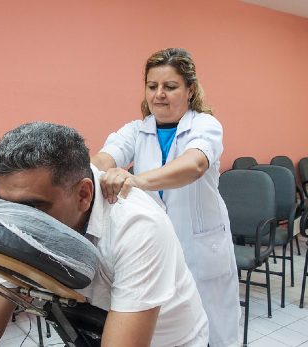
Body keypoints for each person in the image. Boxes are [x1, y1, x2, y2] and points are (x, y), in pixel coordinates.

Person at [0, 122, 209, 347]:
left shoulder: (137, 226)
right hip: (96, 329)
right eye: (8, 205)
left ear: (83, 195)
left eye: (34, 209)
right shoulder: (16, 218)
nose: (18, 224)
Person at [90, 48, 240, 347]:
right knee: (169, 331)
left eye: (170, 87)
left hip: (200, 248)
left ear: (190, 90)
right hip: (156, 248)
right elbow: (105, 158)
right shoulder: (136, 130)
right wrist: (89, 174)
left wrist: (136, 180)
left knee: (217, 334)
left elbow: (195, 164)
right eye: (152, 86)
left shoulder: (205, 125)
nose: (159, 94)